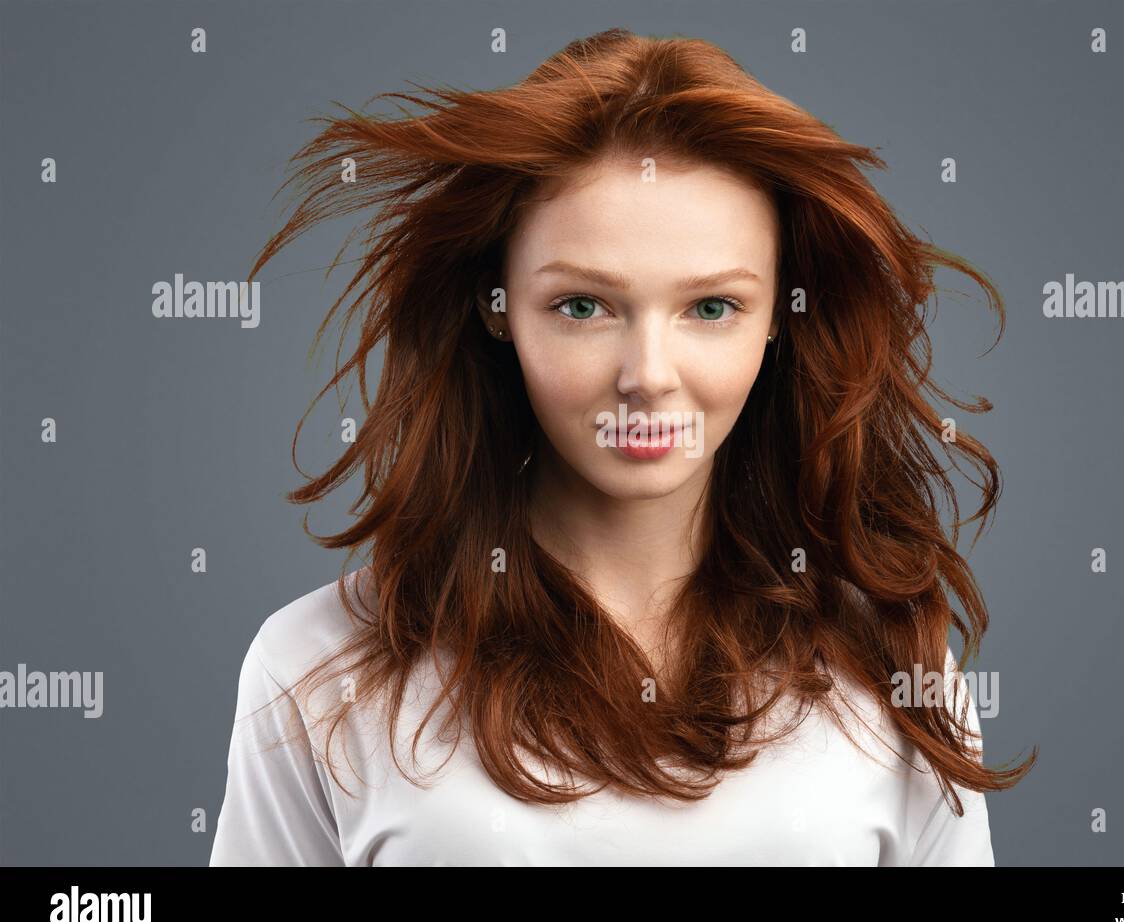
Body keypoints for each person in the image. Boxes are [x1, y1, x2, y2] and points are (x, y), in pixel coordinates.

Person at [210, 27, 1034, 866]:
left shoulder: (895, 667)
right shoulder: (314, 669)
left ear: (782, 321)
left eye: (712, 308)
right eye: (583, 306)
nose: (648, 376)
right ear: (496, 309)